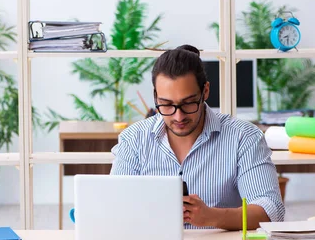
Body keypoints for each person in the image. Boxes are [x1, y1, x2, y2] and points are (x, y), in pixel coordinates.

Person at [110, 44, 285, 230]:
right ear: (155, 96)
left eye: (188, 103)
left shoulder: (244, 137)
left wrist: (213, 217)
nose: (178, 116)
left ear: (206, 91)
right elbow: (114, 206)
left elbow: (271, 212)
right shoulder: (133, 139)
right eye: (166, 105)